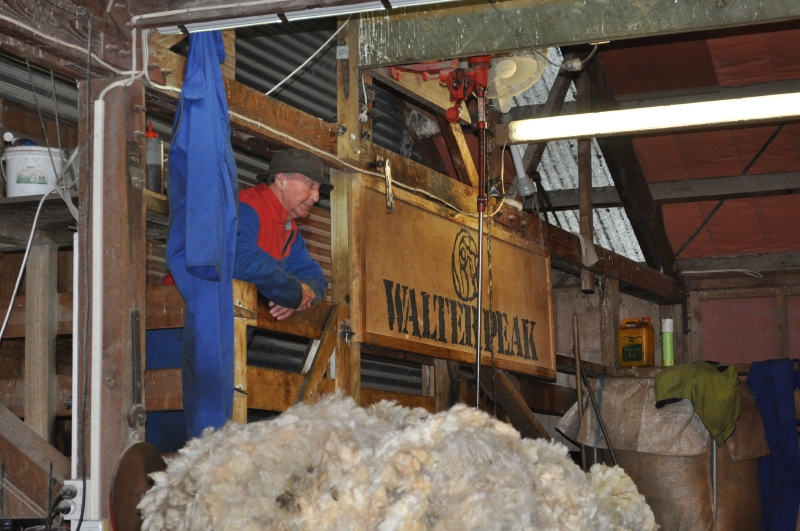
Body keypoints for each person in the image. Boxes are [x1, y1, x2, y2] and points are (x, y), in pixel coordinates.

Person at [234, 149, 329, 318]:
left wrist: (296, 297)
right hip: (202, 318)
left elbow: (316, 277)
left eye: (318, 189)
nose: (316, 197)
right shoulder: (245, 207)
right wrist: (293, 293)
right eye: (310, 185)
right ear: (281, 180)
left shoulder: (289, 228)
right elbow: (240, 264)